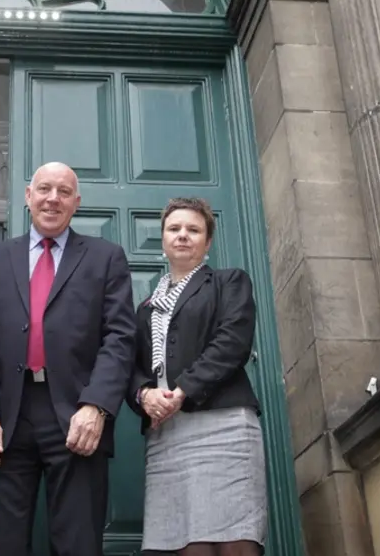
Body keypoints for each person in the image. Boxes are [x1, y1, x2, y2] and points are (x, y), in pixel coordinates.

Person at [0, 161, 136, 555]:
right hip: (5, 417)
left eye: (62, 192)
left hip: (78, 415)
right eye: (43, 189)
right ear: (28, 197)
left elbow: (120, 337)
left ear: (77, 202)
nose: (52, 199)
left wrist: (96, 406)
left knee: (77, 543)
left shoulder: (105, 257)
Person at [127, 197, 266, 556]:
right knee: (179, 544)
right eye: (174, 229)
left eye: (194, 229)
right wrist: (143, 396)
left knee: (231, 540)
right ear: (162, 239)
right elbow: (133, 368)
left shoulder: (228, 282)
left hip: (224, 427)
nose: (183, 236)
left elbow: (232, 342)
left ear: (208, 241)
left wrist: (183, 389)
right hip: (167, 434)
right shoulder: (145, 309)